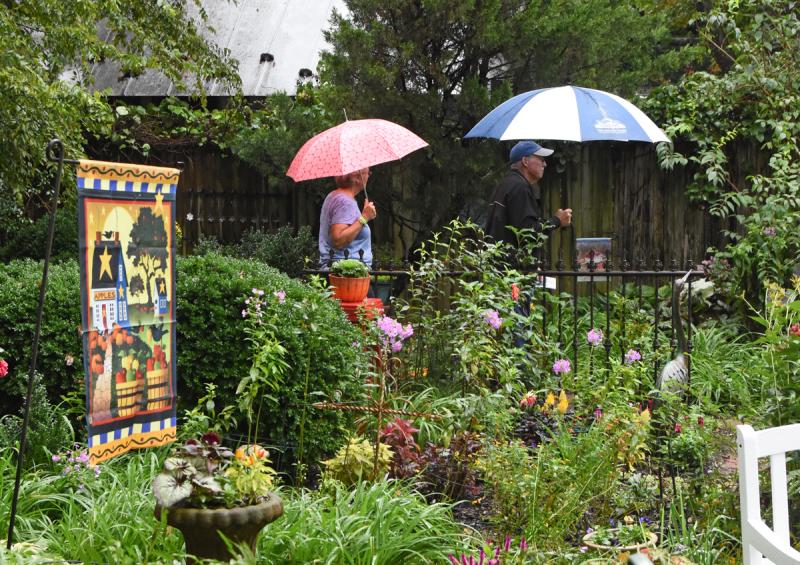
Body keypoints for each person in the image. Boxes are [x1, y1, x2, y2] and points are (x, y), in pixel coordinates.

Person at [485, 140, 572, 252]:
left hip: (497, 258)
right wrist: (557, 220)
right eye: (541, 159)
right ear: (525, 161)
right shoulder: (519, 187)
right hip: (511, 262)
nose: (544, 164)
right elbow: (527, 234)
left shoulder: (506, 184)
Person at [318, 167, 377, 268]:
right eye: (368, 173)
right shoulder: (344, 201)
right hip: (346, 272)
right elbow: (338, 241)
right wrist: (365, 217)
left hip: (342, 269)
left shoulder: (334, 196)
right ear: (357, 178)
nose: (368, 176)